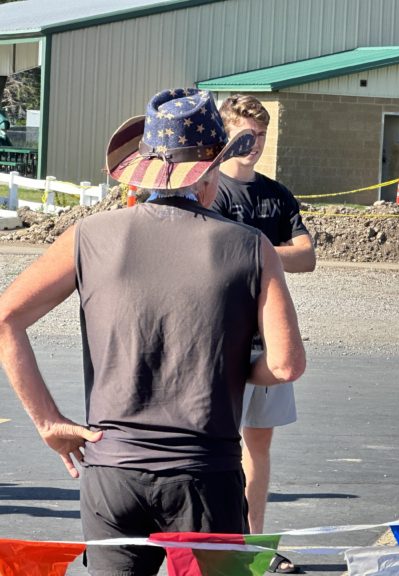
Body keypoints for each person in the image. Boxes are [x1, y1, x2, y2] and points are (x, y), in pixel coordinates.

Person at [0, 88, 306, 575]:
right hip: (205, 471)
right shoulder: (251, 247)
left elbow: (6, 318)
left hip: (112, 469)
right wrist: (235, 368)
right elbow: (287, 364)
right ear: (210, 171)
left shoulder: (89, 236)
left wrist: (49, 422)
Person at [212, 94, 316, 574]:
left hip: (267, 342)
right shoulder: (210, 189)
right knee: (218, 448)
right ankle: (219, 543)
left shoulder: (277, 194)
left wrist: (254, 249)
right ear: (226, 132)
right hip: (218, 340)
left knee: (258, 448)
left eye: (261, 135)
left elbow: (306, 256)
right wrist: (270, 251)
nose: (254, 144)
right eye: (246, 134)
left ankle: (254, 546)